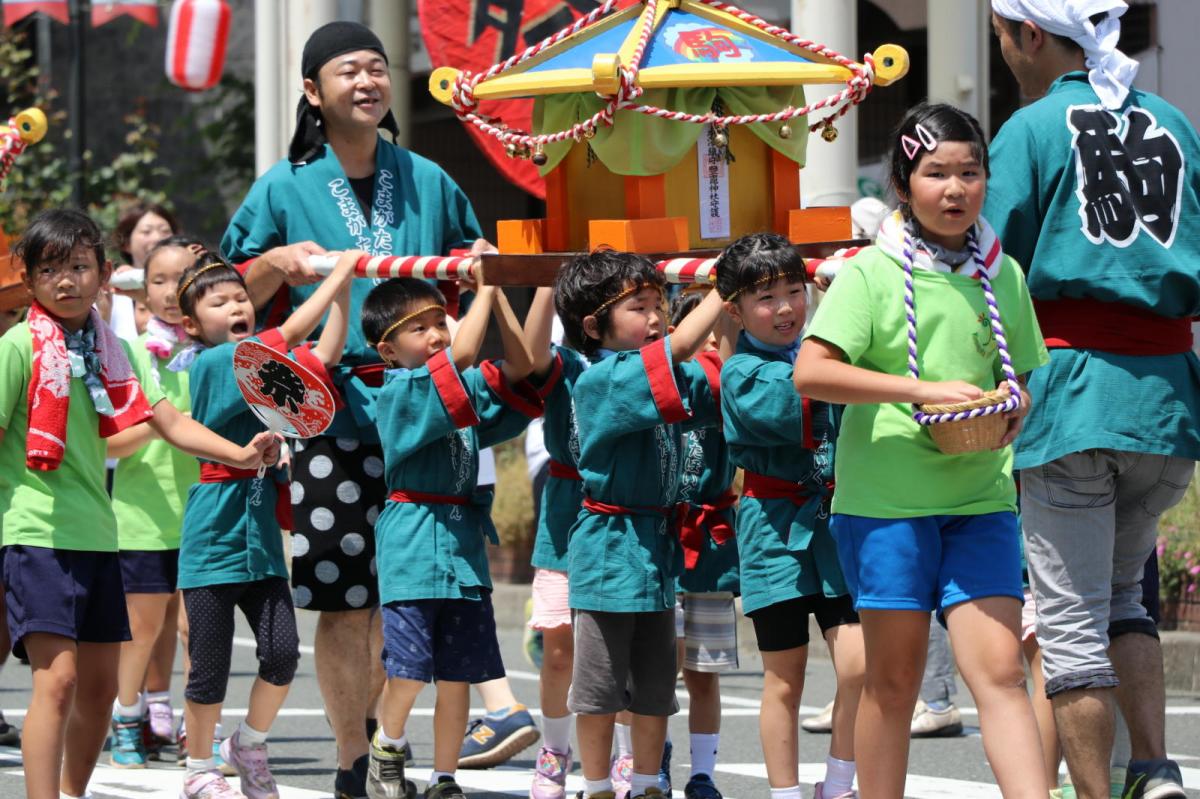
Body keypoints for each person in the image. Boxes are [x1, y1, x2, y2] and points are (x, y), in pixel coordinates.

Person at [222, 23, 536, 794]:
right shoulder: (282, 187)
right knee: (343, 597)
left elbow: (480, 267)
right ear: (311, 91)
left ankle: (415, 748)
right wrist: (271, 263)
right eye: (347, 71)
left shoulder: (429, 176)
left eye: (376, 68)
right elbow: (223, 293)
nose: (366, 81)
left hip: (428, 411)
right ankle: (351, 760)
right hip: (331, 412)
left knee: (430, 588)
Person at [794, 103, 1051, 799]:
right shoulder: (870, 274)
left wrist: (1014, 403)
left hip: (981, 497)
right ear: (903, 184)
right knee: (895, 680)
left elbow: (1018, 375)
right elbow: (811, 371)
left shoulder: (1003, 274)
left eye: (970, 172)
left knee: (998, 670)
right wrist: (920, 388)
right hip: (887, 506)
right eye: (936, 172)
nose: (955, 188)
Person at [986, 3, 1200, 796]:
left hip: (1073, 394)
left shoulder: (1033, 129)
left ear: (1030, 35)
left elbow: (987, 265)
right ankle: (1155, 768)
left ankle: (1096, 792)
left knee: (1071, 621)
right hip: (1166, 400)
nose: (1004, 52)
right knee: (1123, 597)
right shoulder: (1173, 121)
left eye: (1002, 37)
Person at [0, 209, 277, 799]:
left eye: (79, 266)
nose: (67, 281)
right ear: (29, 280)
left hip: (100, 535)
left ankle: (73, 794)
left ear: (105, 274)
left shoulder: (115, 349)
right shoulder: (18, 346)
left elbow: (168, 419)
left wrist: (243, 453)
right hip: (34, 532)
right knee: (59, 682)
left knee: (100, 691)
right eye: (51, 270)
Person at [174, 249, 359, 799]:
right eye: (220, 301)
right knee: (208, 665)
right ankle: (198, 769)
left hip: (259, 537)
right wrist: (341, 272)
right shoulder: (215, 363)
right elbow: (298, 327)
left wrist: (342, 291)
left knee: (280, 656)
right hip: (212, 532)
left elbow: (326, 350)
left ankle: (249, 744)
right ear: (191, 324)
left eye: (240, 298)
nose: (237, 306)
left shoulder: (261, 370)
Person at [553, 250, 725, 799]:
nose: (656, 316)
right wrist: (727, 286)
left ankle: (650, 785)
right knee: (600, 691)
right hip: (609, 548)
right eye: (639, 306)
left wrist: (736, 306)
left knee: (655, 689)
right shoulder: (601, 378)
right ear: (593, 325)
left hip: (654, 548)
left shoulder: (659, 368)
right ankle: (599, 786)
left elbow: (710, 382)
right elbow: (676, 350)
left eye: (660, 303)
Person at [360, 276, 538, 799]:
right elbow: (461, 355)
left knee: (459, 673)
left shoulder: (456, 380)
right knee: (411, 670)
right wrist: (482, 288)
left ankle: (444, 778)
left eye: (440, 322)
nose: (436, 334)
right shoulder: (399, 390)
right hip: (414, 539)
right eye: (419, 328)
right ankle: (386, 751)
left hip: (460, 541)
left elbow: (522, 367)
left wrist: (502, 295)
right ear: (388, 350)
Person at [715, 233, 864, 799]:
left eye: (795, 291)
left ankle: (840, 780)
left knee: (859, 666)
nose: (786, 308)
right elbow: (809, 386)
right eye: (765, 297)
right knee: (785, 678)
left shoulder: (817, 348)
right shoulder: (742, 374)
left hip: (833, 524)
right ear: (735, 310)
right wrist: (838, 316)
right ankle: (784, 793)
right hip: (773, 532)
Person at [104, 236, 204, 769]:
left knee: (198, 630)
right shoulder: (128, 354)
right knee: (140, 630)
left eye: (180, 279)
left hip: (206, 515)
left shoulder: (217, 354)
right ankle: (126, 718)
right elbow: (107, 443)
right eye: (158, 281)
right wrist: (160, 427)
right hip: (141, 516)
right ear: (140, 291)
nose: (169, 292)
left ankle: (196, 726)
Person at [667, 287, 740, 799]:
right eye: (702, 332)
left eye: (719, 332)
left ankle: (703, 773)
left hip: (711, 543)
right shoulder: (663, 385)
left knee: (704, 671)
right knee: (652, 669)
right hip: (661, 540)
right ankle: (641, 762)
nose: (710, 343)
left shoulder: (725, 386)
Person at [523, 286, 590, 799]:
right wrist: (544, 280)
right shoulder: (565, 363)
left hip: (631, 511)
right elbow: (529, 354)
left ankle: (629, 754)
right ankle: (554, 752)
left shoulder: (648, 355)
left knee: (624, 648)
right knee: (558, 650)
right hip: (565, 512)